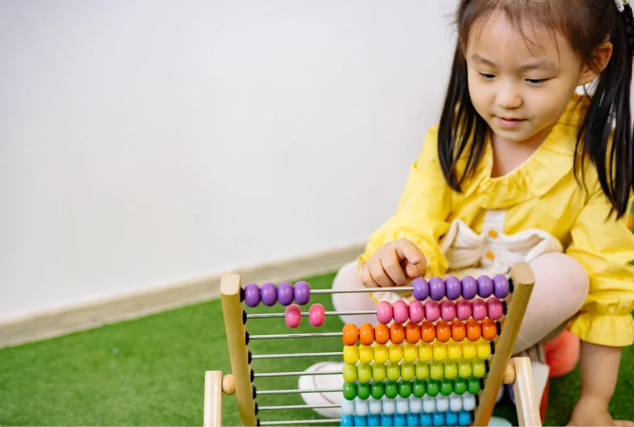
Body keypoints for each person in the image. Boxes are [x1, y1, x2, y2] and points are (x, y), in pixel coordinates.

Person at [299, 0, 634, 425]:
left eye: (534, 78)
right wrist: (400, 254)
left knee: (571, 277)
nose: (507, 98)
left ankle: (406, 384)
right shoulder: (454, 134)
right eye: (487, 74)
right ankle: (457, 384)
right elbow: (416, 217)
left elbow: (607, 284)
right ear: (465, 51)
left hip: (513, 313)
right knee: (350, 281)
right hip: (436, 302)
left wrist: (594, 405)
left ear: (592, 63)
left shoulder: (597, 155)